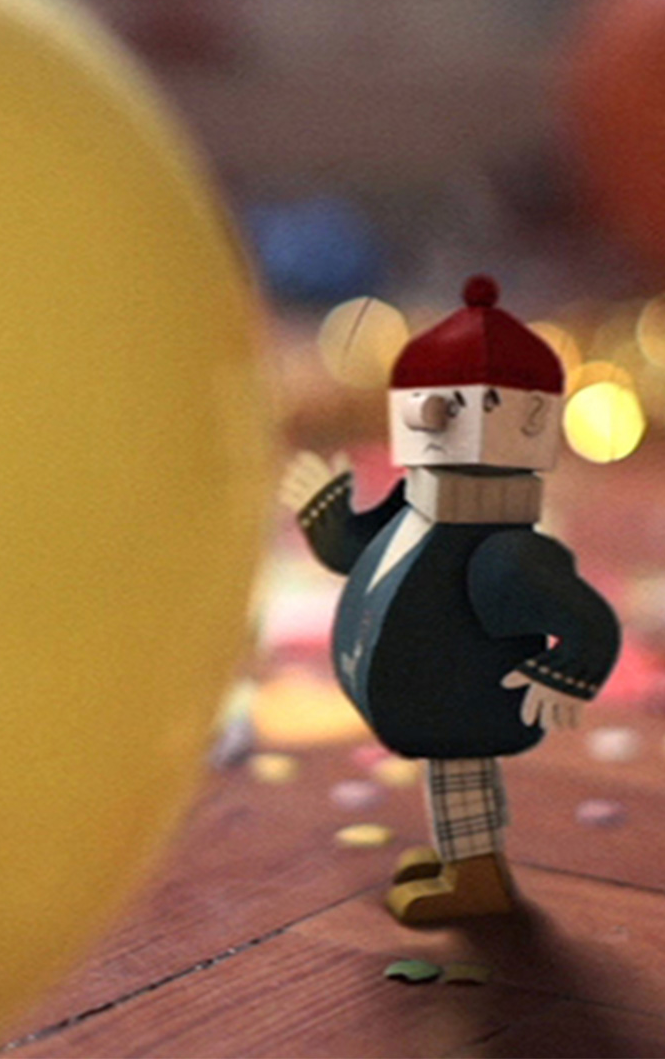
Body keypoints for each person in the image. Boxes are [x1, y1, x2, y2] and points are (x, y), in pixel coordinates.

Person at [281, 275, 620, 923]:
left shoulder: (503, 548)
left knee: (460, 771)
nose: (430, 416)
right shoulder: (414, 501)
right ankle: (463, 860)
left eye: (465, 403)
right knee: (453, 775)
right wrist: (327, 517)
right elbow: (359, 555)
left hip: (462, 692)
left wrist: (568, 670)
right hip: (427, 692)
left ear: (531, 419)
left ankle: (476, 876)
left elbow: (584, 618)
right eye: (424, 401)